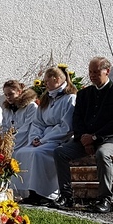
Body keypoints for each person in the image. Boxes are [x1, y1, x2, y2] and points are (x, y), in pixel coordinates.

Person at [54, 57, 113, 213]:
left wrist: (94, 138)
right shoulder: (84, 94)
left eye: (96, 72)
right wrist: (84, 138)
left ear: (107, 71)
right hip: (85, 139)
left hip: (110, 138)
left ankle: (105, 199)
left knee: (103, 153)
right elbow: (77, 119)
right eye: (90, 72)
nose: (92, 75)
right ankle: (66, 196)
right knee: (60, 152)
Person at [11, 66, 76, 206]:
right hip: (42, 138)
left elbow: (66, 127)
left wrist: (44, 140)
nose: (45, 84)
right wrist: (35, 138)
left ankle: (45, 194)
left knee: (38, 153)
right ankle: (31, 192)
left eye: (47, 81)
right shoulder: (47, 99)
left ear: (57, 79)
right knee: (21, 152)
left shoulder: (70, 98)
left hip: (59, 139)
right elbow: (37, 123)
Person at [0, 79, 38, 151]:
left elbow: (27, 128)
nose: (8, 97)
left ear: (19, 92)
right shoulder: (7, 110)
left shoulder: (31, 107)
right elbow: (4, 127)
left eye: (11, 94)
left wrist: (10, 141)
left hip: (26, 143)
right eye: (6, 95)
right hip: (9, 144)